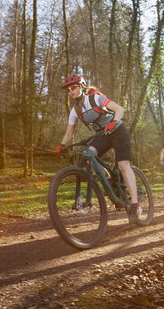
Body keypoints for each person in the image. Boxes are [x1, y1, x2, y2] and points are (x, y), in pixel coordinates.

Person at [56, 74, 141, 223]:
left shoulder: (95, 98)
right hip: (102, 135)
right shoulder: (75, 110)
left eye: (73, 87)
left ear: (82, 86)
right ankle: (110, 181)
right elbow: (69, 133)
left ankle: (135, 204)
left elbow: (119, 109)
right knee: (88, 156)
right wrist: (62, 145)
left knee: (123, 165)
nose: (70, 91)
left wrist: (114, 122)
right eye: (68, 90)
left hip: (118, 130)